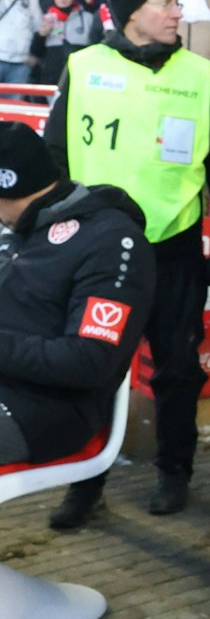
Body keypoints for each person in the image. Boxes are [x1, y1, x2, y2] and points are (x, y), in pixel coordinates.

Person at [43, 0, 210, 525]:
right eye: (167, 3)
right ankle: (84, 482)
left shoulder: (200, 75)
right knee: (93, 367)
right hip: (99, 253)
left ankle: (176, 471)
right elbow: (55, 155)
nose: (179, 12)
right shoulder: (82, 65)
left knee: (177, 368)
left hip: (173, 248)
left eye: (178, 3)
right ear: (131, 14)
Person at [0, 123, 154, 470]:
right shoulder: (21, 228)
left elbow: (89, 361)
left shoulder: (111, 242)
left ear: (8, 186)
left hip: (45, 409)